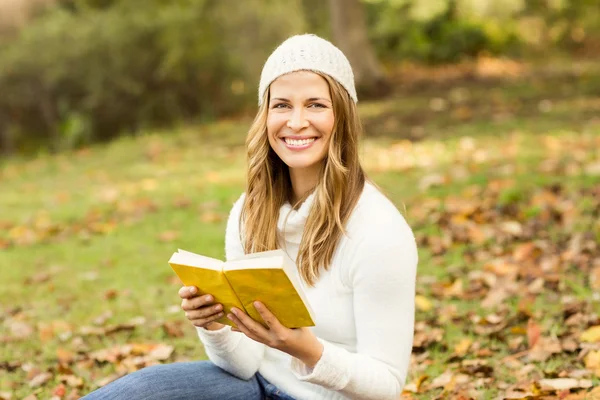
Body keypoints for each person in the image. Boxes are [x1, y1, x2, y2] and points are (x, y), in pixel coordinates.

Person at [83, 33, 418, 400]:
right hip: (256, 387)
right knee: (137, 392)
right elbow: (244, 364)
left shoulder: (379, 230)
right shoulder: (250, 211)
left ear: (343, 116)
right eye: (282, 105)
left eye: (316, 104)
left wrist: (306, 349)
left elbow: (387, 385)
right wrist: (214, 325)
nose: (296, 121)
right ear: (265, 115)